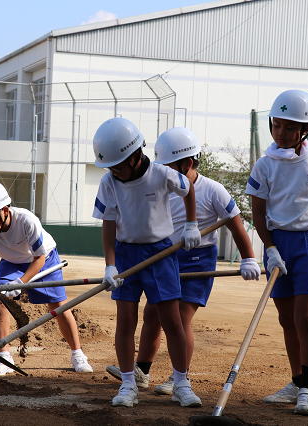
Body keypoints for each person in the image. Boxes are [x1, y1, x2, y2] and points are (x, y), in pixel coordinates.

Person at [105, 127, 261, 401]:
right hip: (165, 257)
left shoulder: (213, 190)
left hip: (197, 260)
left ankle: (181, 378)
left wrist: (248, 257)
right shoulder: (155, 182)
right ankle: (141, 371)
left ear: (186, 164)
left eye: (166, 165)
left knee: (178, 317)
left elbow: (235, 225)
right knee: (152, 315)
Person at [91, 117, 202, 408]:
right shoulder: (109, 182)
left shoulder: (161, 174)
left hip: (161, 254)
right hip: (126, 254)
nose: (114, 171)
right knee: (126, 321)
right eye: (110, 166)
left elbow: (188, 188)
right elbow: (108, 223)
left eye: (118, 165)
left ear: (136, 155)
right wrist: (110, 265)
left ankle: (181, 382)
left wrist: (191, 224)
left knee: (171, 320)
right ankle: (129, 383)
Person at [245, 90, 308, 416]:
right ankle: (297, 382)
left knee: (305, 318)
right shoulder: (264, 165)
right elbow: (259, 214)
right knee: (286, 319)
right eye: (277, 126)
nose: (281, 133)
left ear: (304, 130)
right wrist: (269, 249)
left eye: (289, 128)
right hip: (278, 245)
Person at [0, 180, 93, 376]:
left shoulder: (26, 220)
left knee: (58, 305)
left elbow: (39, 258)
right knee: (0, 298)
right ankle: (4, 357)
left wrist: (22, 282)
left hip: (44, 260)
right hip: (11, 262)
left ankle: (77, 354)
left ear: (4, 211)